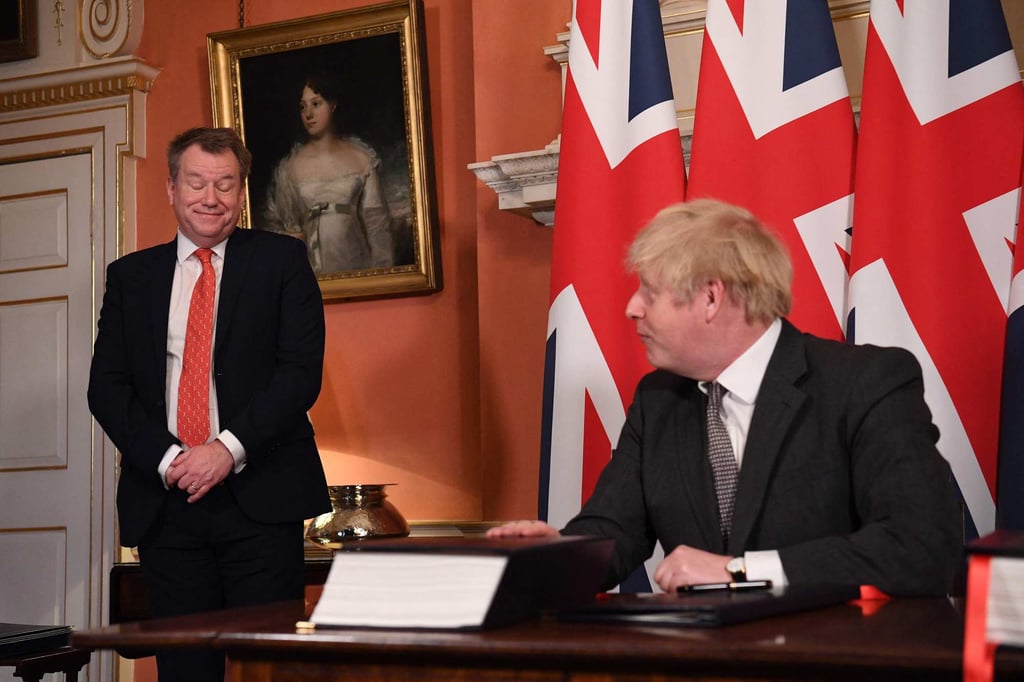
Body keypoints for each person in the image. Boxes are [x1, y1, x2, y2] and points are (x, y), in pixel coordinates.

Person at [489, 199, 963, 597]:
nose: (631, 308)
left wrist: (741, 571)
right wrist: (559, 551)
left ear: (711, 298)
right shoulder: (658, 400)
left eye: (649, 293)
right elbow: (615, 531)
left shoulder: (864, 383)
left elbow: (920, 544)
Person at [88, 127, 331, 682]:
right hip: (167, 507)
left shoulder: (282, 260)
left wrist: (225, 450)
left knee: (268, 671)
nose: (210, 197)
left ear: (242, 193)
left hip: (262, 500)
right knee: (184, 672)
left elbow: (299, 375)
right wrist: (171, 459)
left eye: (225, 184)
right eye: (197, 182)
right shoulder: (131, 277)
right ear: (171, 188)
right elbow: (107, 386)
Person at [264, 71, 394, 273]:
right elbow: (280, 224)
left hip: (354, 263)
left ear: (332, 105)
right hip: (308, 267)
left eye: (316, 104)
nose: (308, 114)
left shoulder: (361, 159)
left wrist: (382, 275)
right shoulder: (289, 168)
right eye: (303, 106)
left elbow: (377, 226)